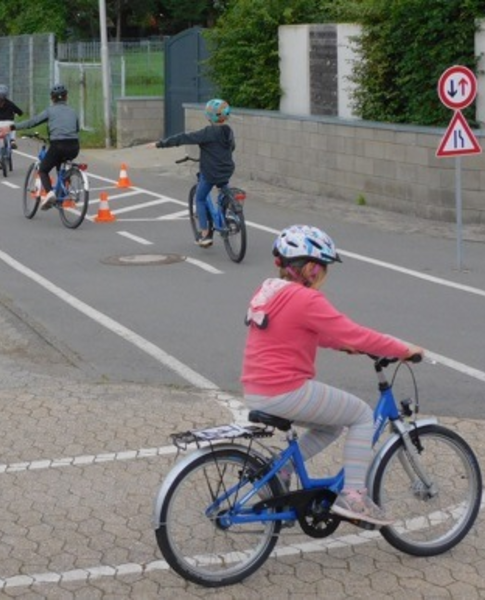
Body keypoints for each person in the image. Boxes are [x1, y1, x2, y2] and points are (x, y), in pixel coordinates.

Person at [240, 224, 424, 526]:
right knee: (362, 415)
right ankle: (354, 496)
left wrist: (344, 346)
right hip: (285, 391)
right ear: (311, 269)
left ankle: (281, 470)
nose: (324, 276)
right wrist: (402, 348)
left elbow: (305, 331)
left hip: (256, 389)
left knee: (332, 425)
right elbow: (356, 333)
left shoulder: (270, 290)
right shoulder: (307, 299)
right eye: (324, 269)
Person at [150, 98, 235, 247]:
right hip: (227, 170)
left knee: (200, 198)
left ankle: (204, 235)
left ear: (208, 116)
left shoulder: (207, 133)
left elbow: (184, 138)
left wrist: (160, 144)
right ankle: (231, 210)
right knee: (223, 187)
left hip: (211, 173)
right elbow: (231, 148)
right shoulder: (228, 131)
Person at [6, 83, 79, 210]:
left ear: (52, 98)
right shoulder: (73, 111)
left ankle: (50, 194)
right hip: (74, 146)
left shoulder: (50, 111)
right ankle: (65, 191)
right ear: (66, 97)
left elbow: (32, 122)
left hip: (58, 145)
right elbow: (77, 129)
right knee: (61, 165)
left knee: (43, 170)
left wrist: (14, 126)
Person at [0, 84, 23, 169]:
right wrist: (16, 113)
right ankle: (12, 140)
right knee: (13, 127)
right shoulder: (10, 104)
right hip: (9, 124)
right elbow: (20, 112)